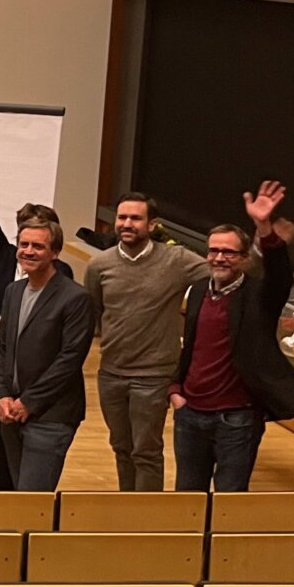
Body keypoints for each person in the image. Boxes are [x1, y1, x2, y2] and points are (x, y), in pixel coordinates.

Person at [171, 182, 294, 492]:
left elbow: (279, 275)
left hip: (236, 420)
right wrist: (175, 389)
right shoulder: (198, 291)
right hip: (189, 415)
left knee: (228, 504)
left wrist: (264, 226)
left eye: (229, 252)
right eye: (214, 250)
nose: (219, 257)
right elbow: (191, 346)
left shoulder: (259, 296)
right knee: (187, 500)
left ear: (245, 258)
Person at [0, 149, 66, 491]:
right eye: (23, 234)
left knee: (27, 427)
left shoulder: (61, 273)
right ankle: (3, 488)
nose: (28, 246)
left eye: (38, 236)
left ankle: (24, 489)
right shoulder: (3, 256)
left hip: (34, 364)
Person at [85, 192, 208, 493]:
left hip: (154, 376)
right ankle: (128, 509)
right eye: (122, 217)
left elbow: (221, 271)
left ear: (152, 225)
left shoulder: (177, 260)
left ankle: (148, 516)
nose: (127, 224)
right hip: (111, 374)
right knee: (121, 448)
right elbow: (94, 312)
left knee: (146, 452)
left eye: (135, 218)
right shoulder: (99, 266)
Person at [0, 219, 95, 491]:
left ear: (55, 253)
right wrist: (2, 394)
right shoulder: (13, 291)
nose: (28, 251)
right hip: (11, 412)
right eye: (23, 244)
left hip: (51, 415)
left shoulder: (75, 298)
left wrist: (29, 402)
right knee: (20, 495)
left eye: (38, 246)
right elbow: (2, 348)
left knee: (34, 498)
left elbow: (69, 360)